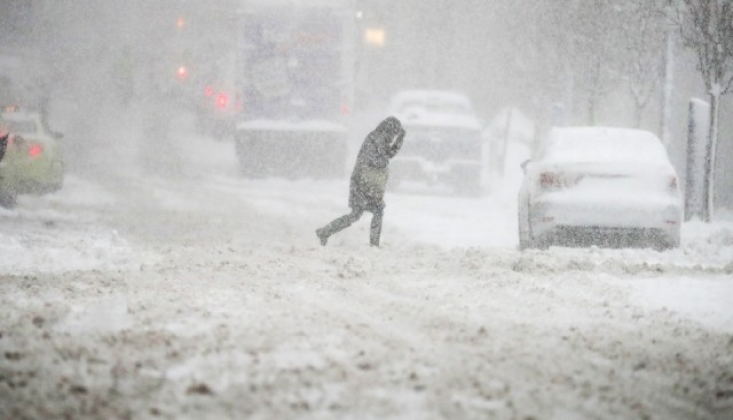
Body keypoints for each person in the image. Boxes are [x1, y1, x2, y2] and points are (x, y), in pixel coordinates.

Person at [316, 116, 406, 247]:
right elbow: (381, 160)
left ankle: (326, 231)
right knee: (365, 212)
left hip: (366, 183)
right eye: (394, 134)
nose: (393, 138)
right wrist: (394, 147)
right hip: (362, 183)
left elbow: (388, 155)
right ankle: (372, 243)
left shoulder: (379, 139)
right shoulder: (375, 139)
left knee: (364, 213)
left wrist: (399, 140)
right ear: (389, 130)